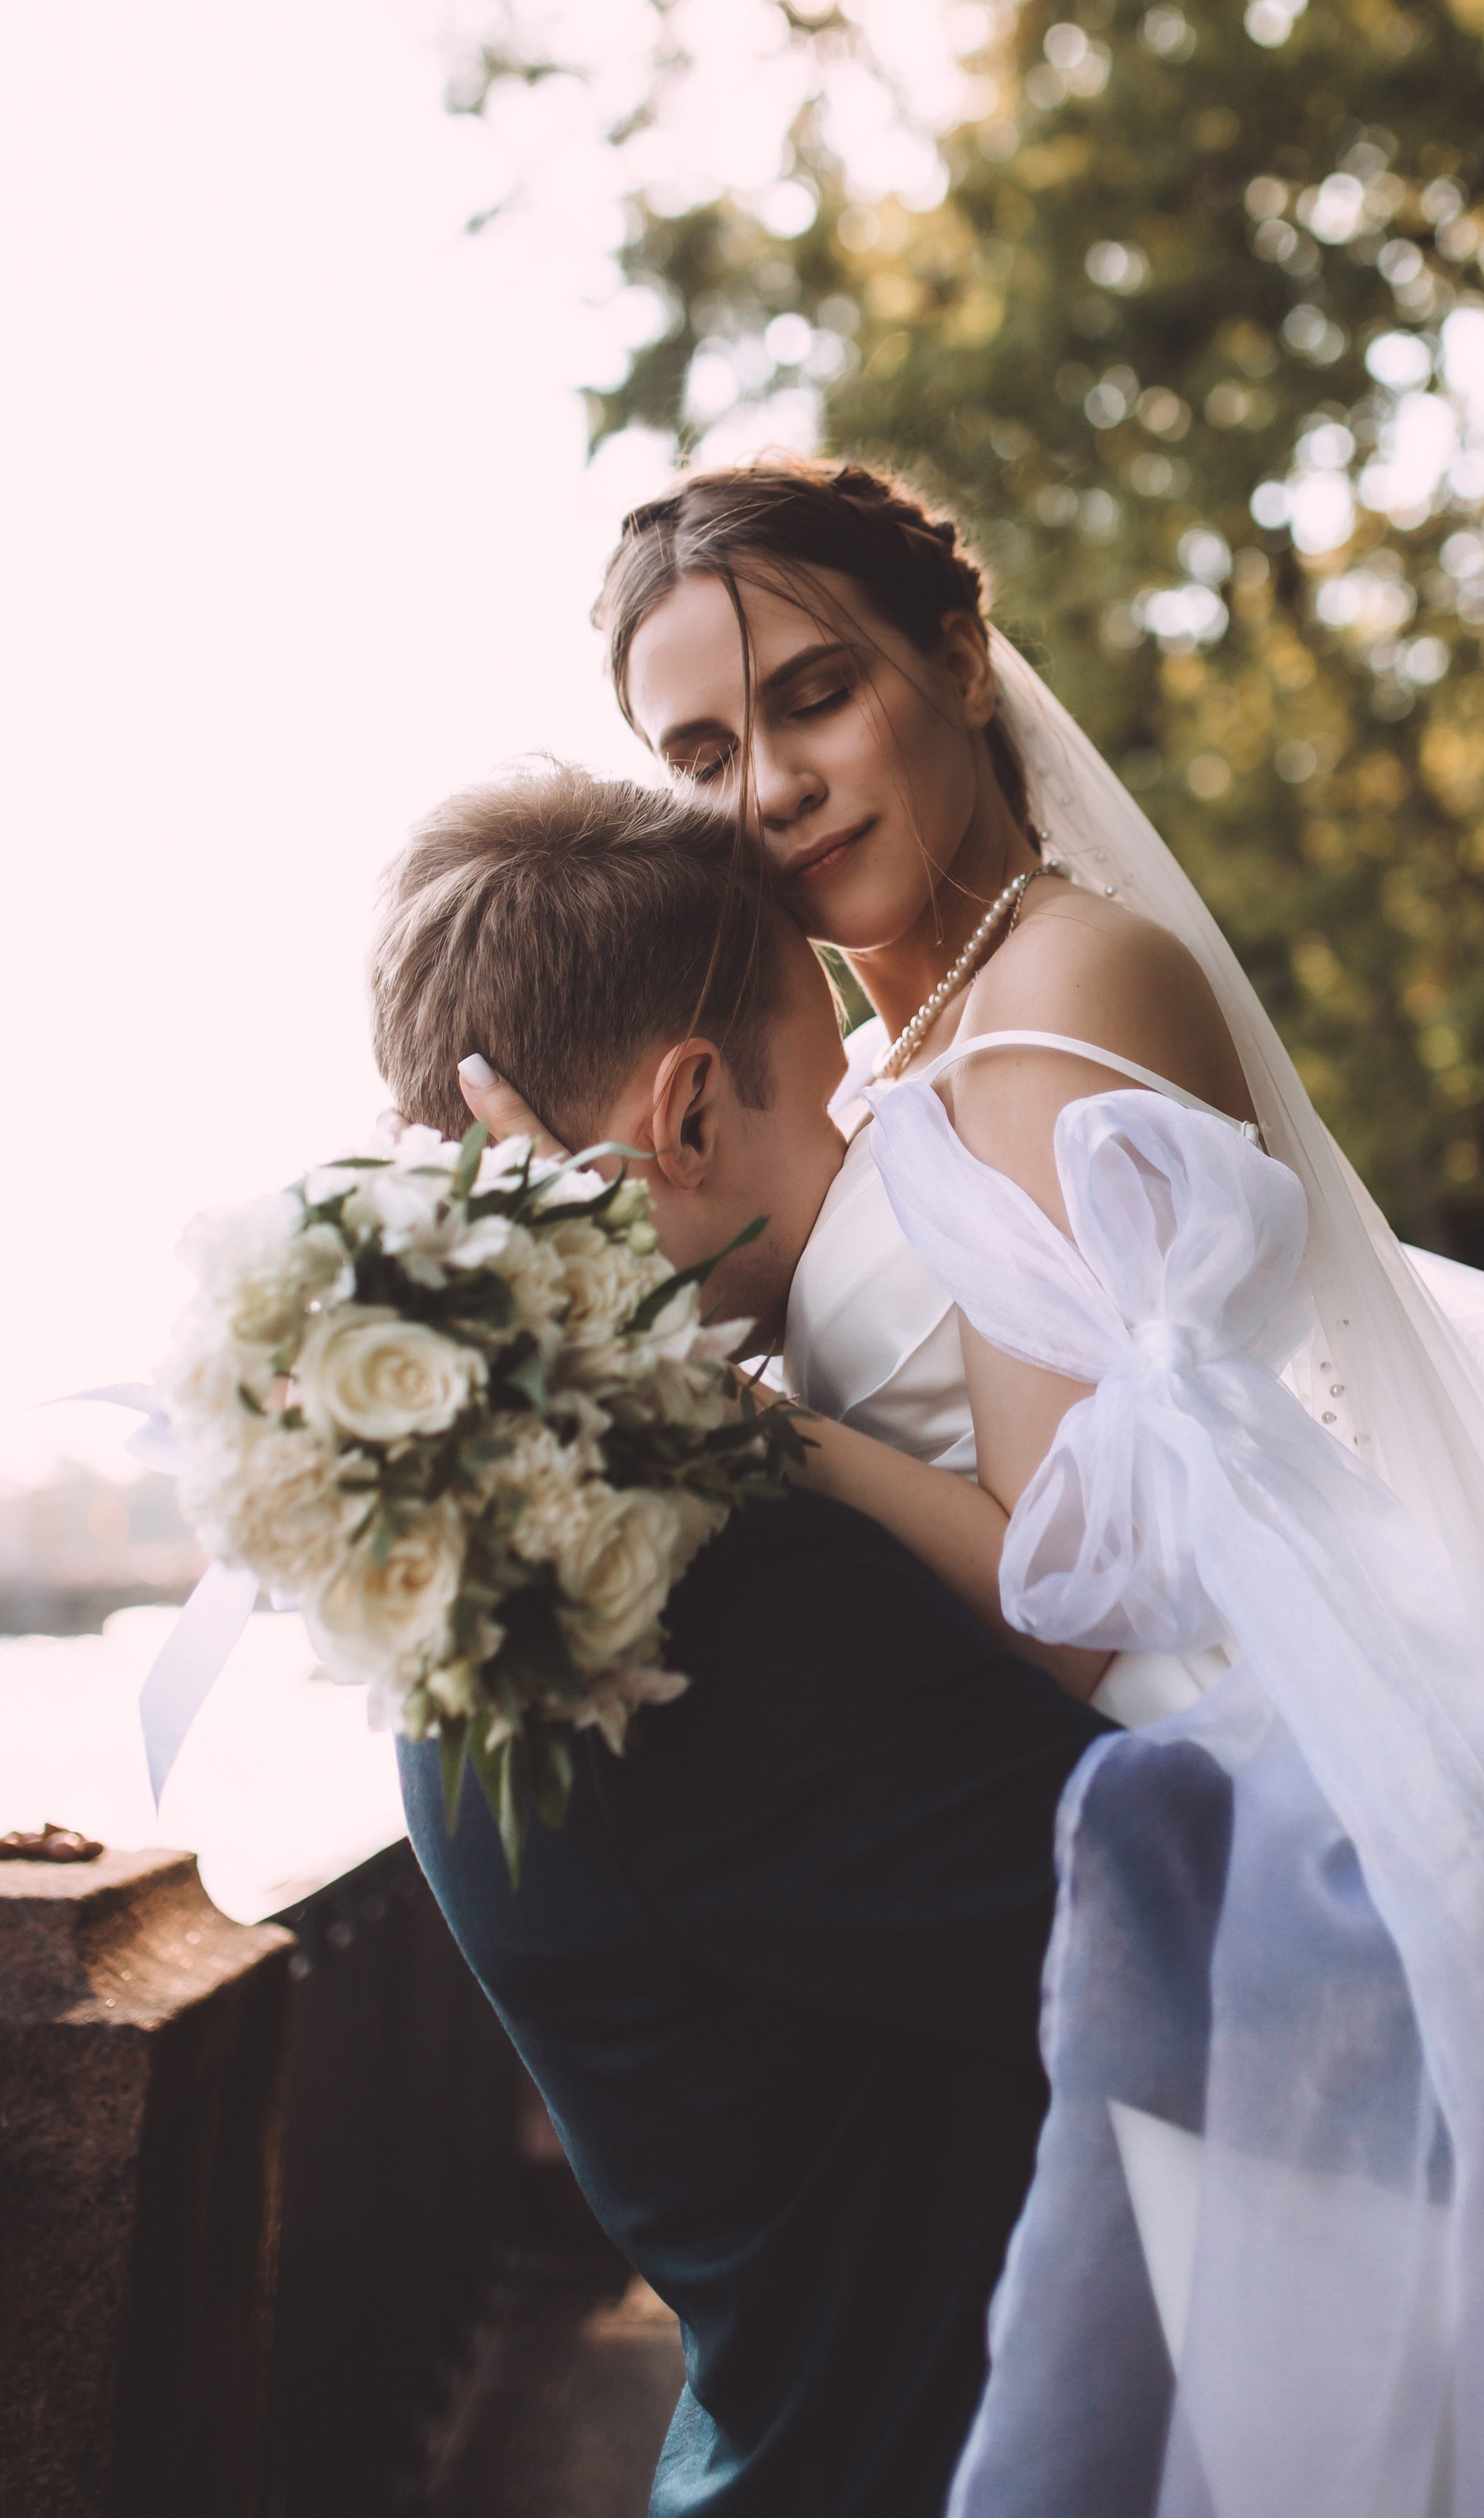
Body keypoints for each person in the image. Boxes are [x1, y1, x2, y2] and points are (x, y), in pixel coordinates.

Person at [462, 452, 1484, 2516]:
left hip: (1239, 1826)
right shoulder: (915, 1049)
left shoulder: (1061, 997)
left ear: (959, 654)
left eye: (815, 696)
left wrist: (755, 1431)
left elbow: (1072, 1582)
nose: (771, 785)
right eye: (705, 747)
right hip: (1113, 1824)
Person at [370, 763, 1122, 2518]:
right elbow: (1202, 1928)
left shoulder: (471, 1551)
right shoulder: (704, 1579)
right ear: (689, 1115)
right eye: (843, 1088)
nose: (875, 1132)